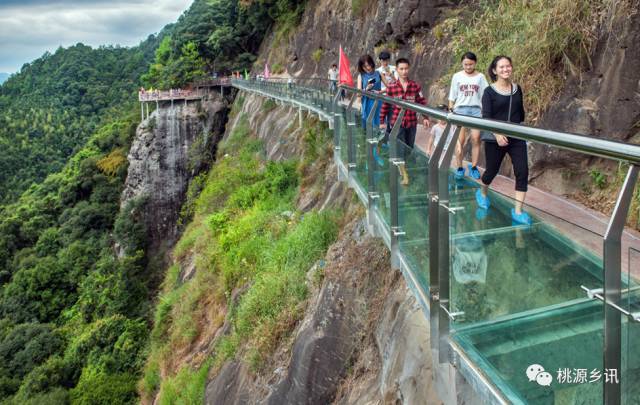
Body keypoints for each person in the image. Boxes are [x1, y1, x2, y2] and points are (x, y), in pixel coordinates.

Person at [476, 55, 531, 225]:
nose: (505, 69)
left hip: (516, 136)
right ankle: (482, 192)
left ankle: (517, 210)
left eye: (508, 66)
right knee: (491, 171)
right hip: (495, 139)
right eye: (501, 67)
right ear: (494, 71)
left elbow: (520, 113)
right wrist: (497, 134)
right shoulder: (489, 92)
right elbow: (486, 117)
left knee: (522, 171)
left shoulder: (517, 88)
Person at [379, 57, 429, 185]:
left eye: (406, 68)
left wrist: (425, 117)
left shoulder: (415, 87)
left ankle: (405, 169)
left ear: (409, 69)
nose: (404, 71)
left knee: (410, 147)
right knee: (400, 149)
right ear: (397, 70)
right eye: (401, 69)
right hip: (397, 123)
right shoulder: (392, 88)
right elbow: (385, 105)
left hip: (412, 123)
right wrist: (382, 121)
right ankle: (405, 175)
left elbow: (421, 102)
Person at [449, 52, 489, 180]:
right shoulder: (457, 76)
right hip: (460, 110)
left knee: (476, 139)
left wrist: (486, 111)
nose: (468, 66)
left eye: (471, 64)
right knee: (459, 141)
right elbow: (452, 95)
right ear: (462, 63)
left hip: (476, 110)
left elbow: (486, 94)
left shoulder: (481, 77)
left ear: (475, 63)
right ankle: (460, 167)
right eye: (465, 64)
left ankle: (474, 167)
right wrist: (451, 110)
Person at [356, 55, 382, 129]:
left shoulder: (378, 73)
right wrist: (366, 89)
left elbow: (389, 87)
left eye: (368, 65)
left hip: (378, 102)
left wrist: (380, 92)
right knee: (368, 125)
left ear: (372, 63)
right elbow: (358, 94)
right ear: (361, 67)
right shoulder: (361, 76)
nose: (367, 68)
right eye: (364, 66)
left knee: (378, 124)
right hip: (367, 102)